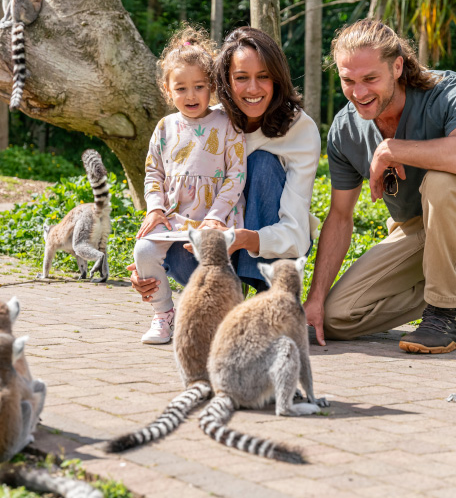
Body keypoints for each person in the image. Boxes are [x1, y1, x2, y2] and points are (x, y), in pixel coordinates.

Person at [304, 18, 456, 354]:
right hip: (419, 231)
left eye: (370, 79)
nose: (359, 93)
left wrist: (393, 149)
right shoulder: (344, 131)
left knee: (443, 180)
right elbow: (341, 217)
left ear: (397, 67)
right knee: (337, 318)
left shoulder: (446, 90)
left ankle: (444, 312)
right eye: (348, 81)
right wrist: (314, 300)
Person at [129, 26, 321, 308]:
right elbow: (167, 181)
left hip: (269, 248)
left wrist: (243, 239)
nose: (253, 89)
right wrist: (145, 266)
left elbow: (296, 234)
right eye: (241, 78)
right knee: (176, 242)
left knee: (261, 163)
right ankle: (225, 299)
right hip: (212, 244)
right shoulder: (207, 123)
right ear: (224, 82)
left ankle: (272, 295)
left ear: (277, 79)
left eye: (264, 77)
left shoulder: (300, 130)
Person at [133, 26, 246, 344]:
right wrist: (155, 209)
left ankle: (225, 316)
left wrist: (218, 215)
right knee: (143, 250)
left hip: (215, 217)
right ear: (167, 90)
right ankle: (163, 314)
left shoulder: (227, 124)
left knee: (216, 267)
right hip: (174, 217)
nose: (191, 95)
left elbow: (236, 175)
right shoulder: (165, 127)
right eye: (181, 88)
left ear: (211, 86)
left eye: (199, 86)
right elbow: (153, 172)